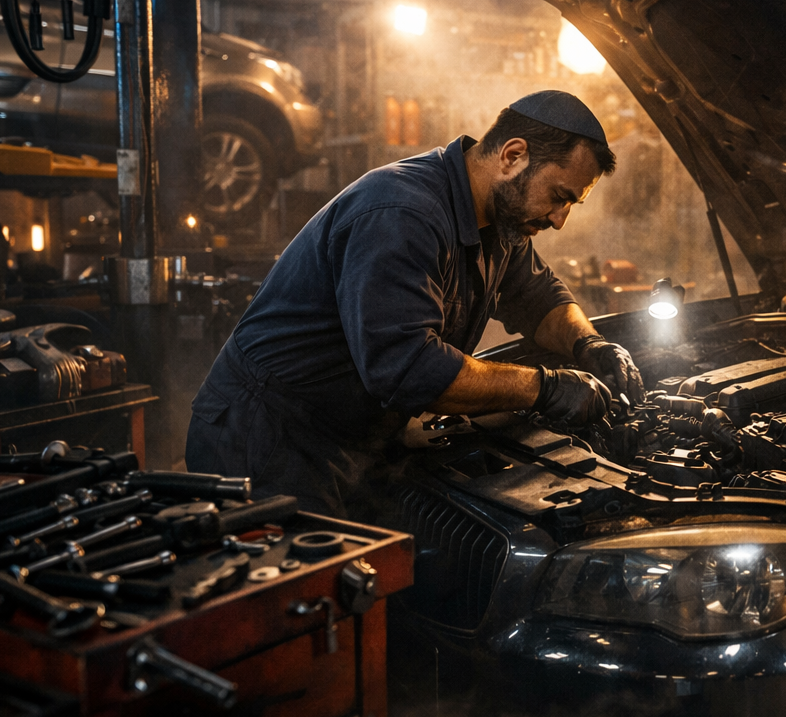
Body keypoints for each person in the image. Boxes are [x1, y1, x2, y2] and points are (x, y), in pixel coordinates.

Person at [184, 90, 647, 515]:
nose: (560, 219)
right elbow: (408, 370)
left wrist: (589, 345)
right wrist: (547, 387)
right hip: (266, 437)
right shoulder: (402, 213)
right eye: (559, 197)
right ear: (513, 156)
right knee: (308, 594)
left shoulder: (500, 222)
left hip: (349, 434)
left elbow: (537, 296)